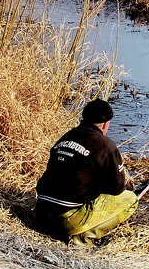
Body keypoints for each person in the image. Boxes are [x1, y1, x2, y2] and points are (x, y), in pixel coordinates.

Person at [34, 99, 138, 245]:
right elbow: (117, 189)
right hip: (64, 221)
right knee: (131, 200)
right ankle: (83, 237)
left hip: (41, 213)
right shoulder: (106, 145)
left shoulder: (67, 136)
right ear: (106, 124)